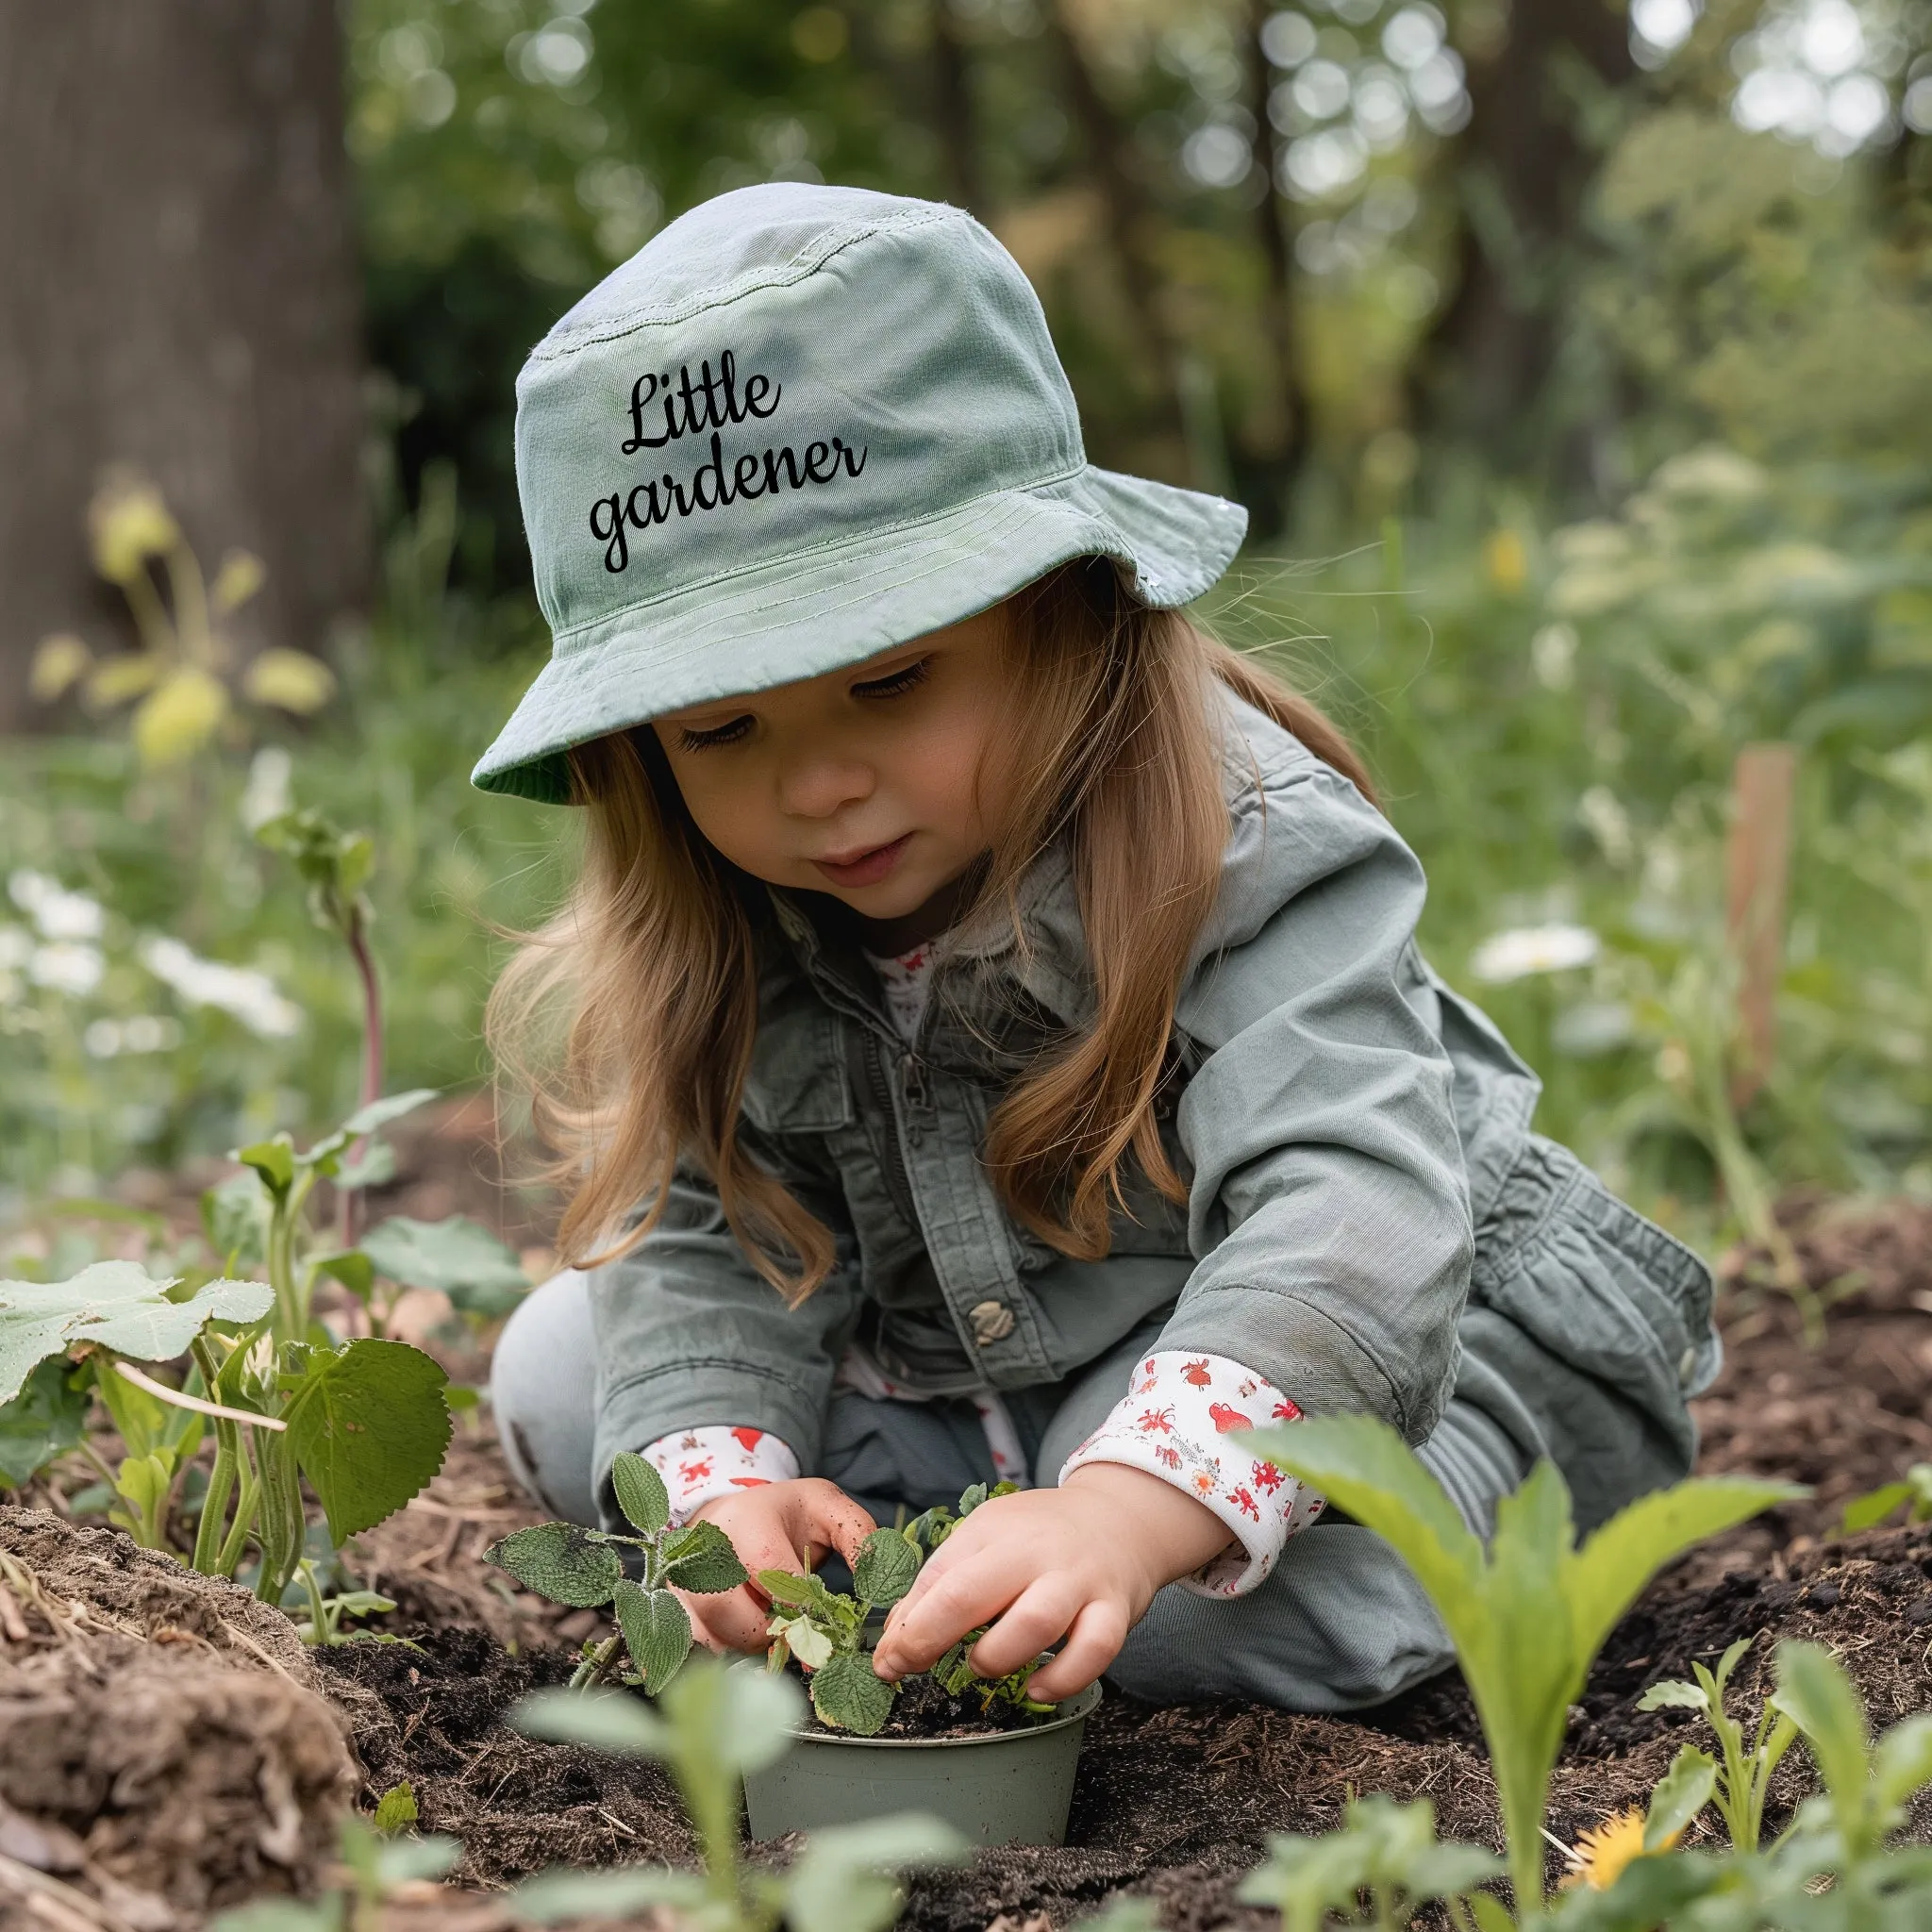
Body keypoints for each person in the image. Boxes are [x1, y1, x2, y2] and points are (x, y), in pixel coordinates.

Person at [478, 182, 1718, 1712]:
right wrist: (729, 1492)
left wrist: (1127, 1510)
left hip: (1391, 1355)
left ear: (1061, 606)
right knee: (568, 1377)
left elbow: (1353, 1203)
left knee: (1176, 1606)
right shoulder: (721, 923)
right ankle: (966, 1581)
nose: (817, 784)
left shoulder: (1237, 833)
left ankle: (1090, 1566)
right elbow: (713, 1244)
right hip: (1000, 1390)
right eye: (722, 728)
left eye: (891, 683)